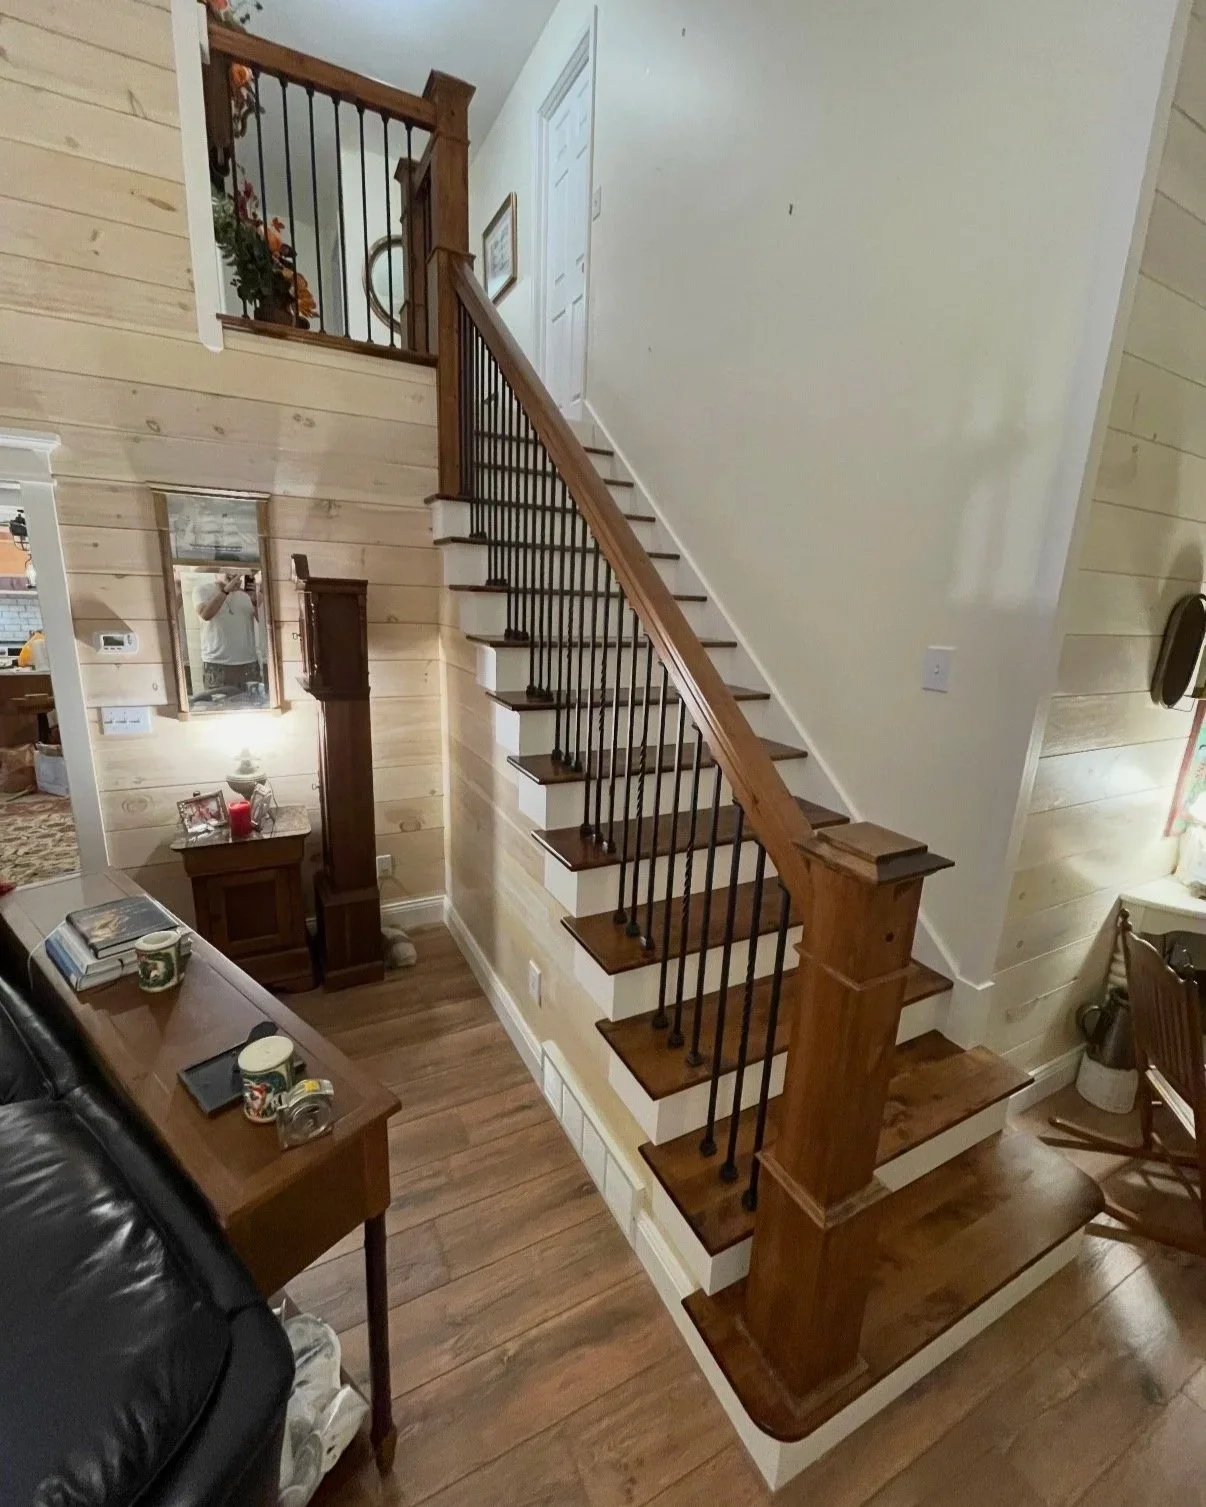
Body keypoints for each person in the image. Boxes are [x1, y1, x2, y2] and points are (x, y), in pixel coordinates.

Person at [192, 571, 260, 693]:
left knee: (254, 703)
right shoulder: (202, 590)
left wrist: (256, 600)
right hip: (217, 664)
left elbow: (264, 622)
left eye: (236, 572)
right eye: (227, 570)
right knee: (218, 703)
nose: (233, 574)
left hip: (248, 663)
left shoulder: (247, 593)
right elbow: (205, 614)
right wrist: (225, 591)